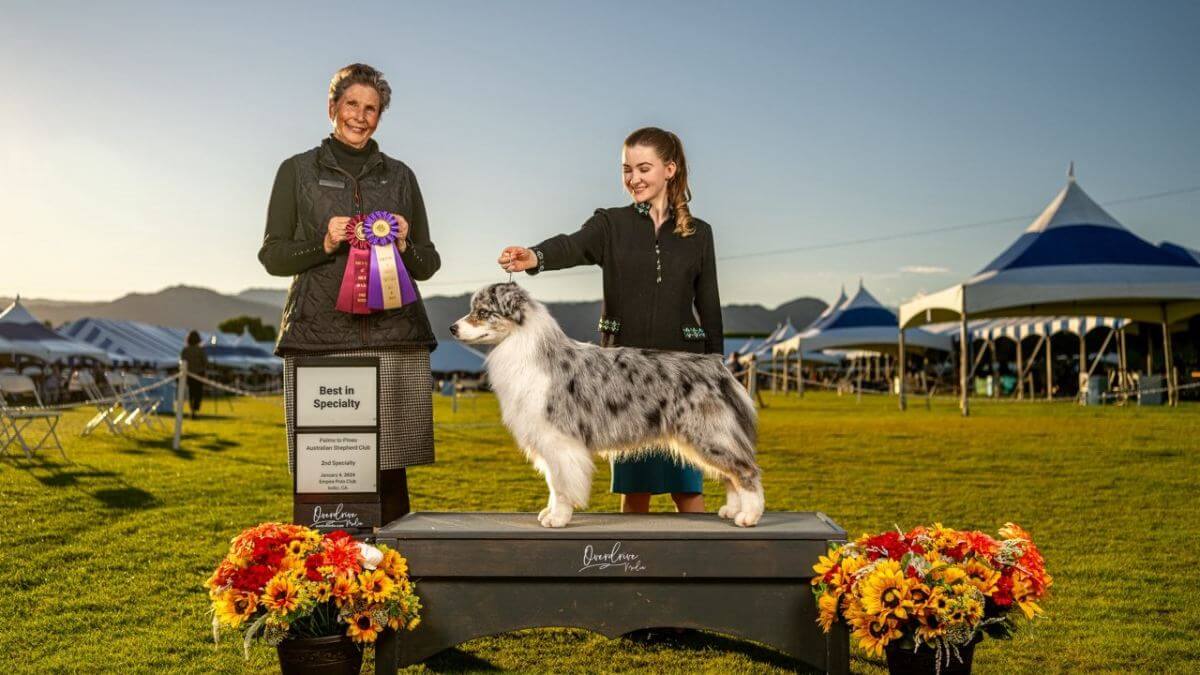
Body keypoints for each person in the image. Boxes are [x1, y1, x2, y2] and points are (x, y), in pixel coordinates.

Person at [498, 127, 723, 515]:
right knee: (635, 490)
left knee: (688, 490)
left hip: (681, 377)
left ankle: (698, 571)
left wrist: (717, 367)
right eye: (626, 170)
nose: (633, 178)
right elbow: (573, 244)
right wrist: (535, 256)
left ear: (670, 170)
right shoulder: (610, 224)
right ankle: (631, 574)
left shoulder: (699, 234)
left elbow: (710, 305)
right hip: (623, 380)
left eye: (644, 168)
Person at [259, 63, 440, 521]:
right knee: (328, 477)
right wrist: (322, 242)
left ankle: (394, 583)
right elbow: (273, 256)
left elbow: (429, 263)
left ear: (381, 116)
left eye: (372, 108)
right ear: (333, 107)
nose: (361, 116)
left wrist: (402, 242)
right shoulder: (295, 171)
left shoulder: (401, 177)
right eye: (352, 104)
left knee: (390, 480)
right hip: (320, 341)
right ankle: (324, 584)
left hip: (394, 339)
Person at [180, 331, 208, 419]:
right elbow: (205, 362)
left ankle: (192, 410)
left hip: (188, 374)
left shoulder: (185, 350)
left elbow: (182, 361)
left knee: (191, 393)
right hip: (199, 374)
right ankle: (195, 410)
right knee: (198, 393)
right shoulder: (200, 350)